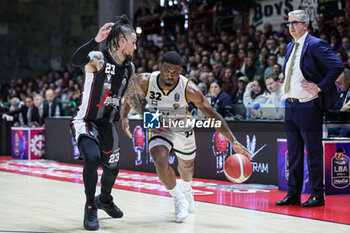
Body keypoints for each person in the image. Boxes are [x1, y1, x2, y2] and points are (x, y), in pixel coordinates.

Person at [121, 51, 251, 223]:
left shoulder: (189, 89)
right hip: (157, 121)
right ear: (160, 67)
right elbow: (130, 95)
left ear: (181, 71)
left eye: (176, 72)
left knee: (186, 166)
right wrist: (125, 117)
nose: (171, 75)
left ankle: (187, 190)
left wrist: (233, 141)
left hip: (182, 124)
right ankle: (178, 198)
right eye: (167, 71)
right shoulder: (144, 80)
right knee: (159, 159)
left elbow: (213, 115)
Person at [70, 15, 137, 230]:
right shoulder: (98, 58)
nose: (136, 47)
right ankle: (90, 206)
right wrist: (95, 39)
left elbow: (126, 96)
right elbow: (76, 59)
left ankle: (104, 199)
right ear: (121, 42)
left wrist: (125, 118)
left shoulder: (130, 68)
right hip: (87, 120)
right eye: (133, 42)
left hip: (108, 124)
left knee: (112, 167)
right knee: (92, 157)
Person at [276, 10, 344, 208]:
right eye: (289, 23)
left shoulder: (315, 44)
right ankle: (294, 194)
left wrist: (320, 86)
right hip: (291, 105)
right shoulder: (290, 46)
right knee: (294, 152)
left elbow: (337, 66)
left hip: (308, 106)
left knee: (313, 151)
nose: (291, 26)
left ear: (305, 25)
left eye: (295, 22)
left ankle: (317, 194)